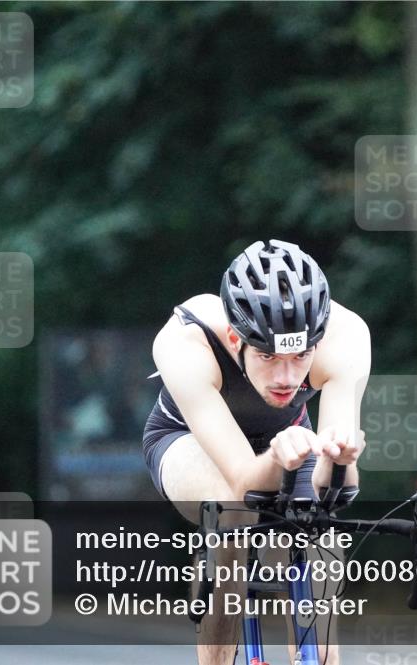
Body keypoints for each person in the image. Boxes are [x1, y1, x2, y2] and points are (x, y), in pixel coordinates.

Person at [142, 239, 369, 665]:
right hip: (184, 438)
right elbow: (244, 482)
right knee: (234, 513)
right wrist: (278, 458)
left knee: (319, 525)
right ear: (235, 336)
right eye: (267, 355)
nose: (286, 376)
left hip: (290, 441)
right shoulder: (187, 341)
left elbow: (337, 488)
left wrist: (340, 462)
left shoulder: (345, 337)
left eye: (301, 355)